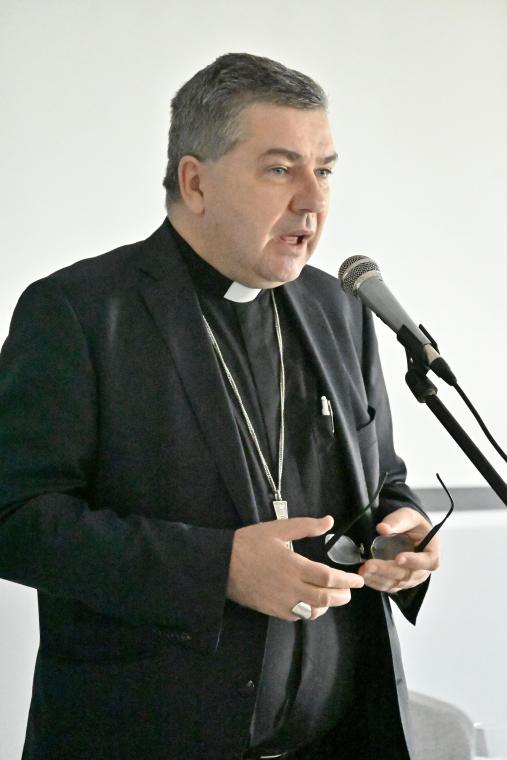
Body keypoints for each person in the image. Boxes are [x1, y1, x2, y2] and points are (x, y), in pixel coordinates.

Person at [0, 53, 439, 759]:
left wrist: (401, 530)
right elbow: (15, 518)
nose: (313, 201)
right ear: (196, 182)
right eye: (280, 169)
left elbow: (380, 477)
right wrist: (216, 568)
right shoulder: (80, 313)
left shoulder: (340, 308)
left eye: (324, 171)